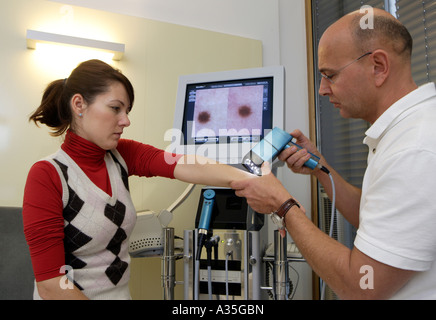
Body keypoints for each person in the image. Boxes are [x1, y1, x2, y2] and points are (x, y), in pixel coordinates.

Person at [231, 8, 436, 300]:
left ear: (378, 66)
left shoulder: (415, 148)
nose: (322, 90)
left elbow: (361, 286)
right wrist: (320, 168)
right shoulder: (403, 132)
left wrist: (283, 205)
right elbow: (375, 216)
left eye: (330, 75)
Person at [23, 59, 252, 300]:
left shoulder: (121, 155)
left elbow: (184, 164)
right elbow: (51, 284)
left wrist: (249, 178)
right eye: (115, 108)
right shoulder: (47, 175)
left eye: (127, 111)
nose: (126, 120)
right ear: (79, 104)